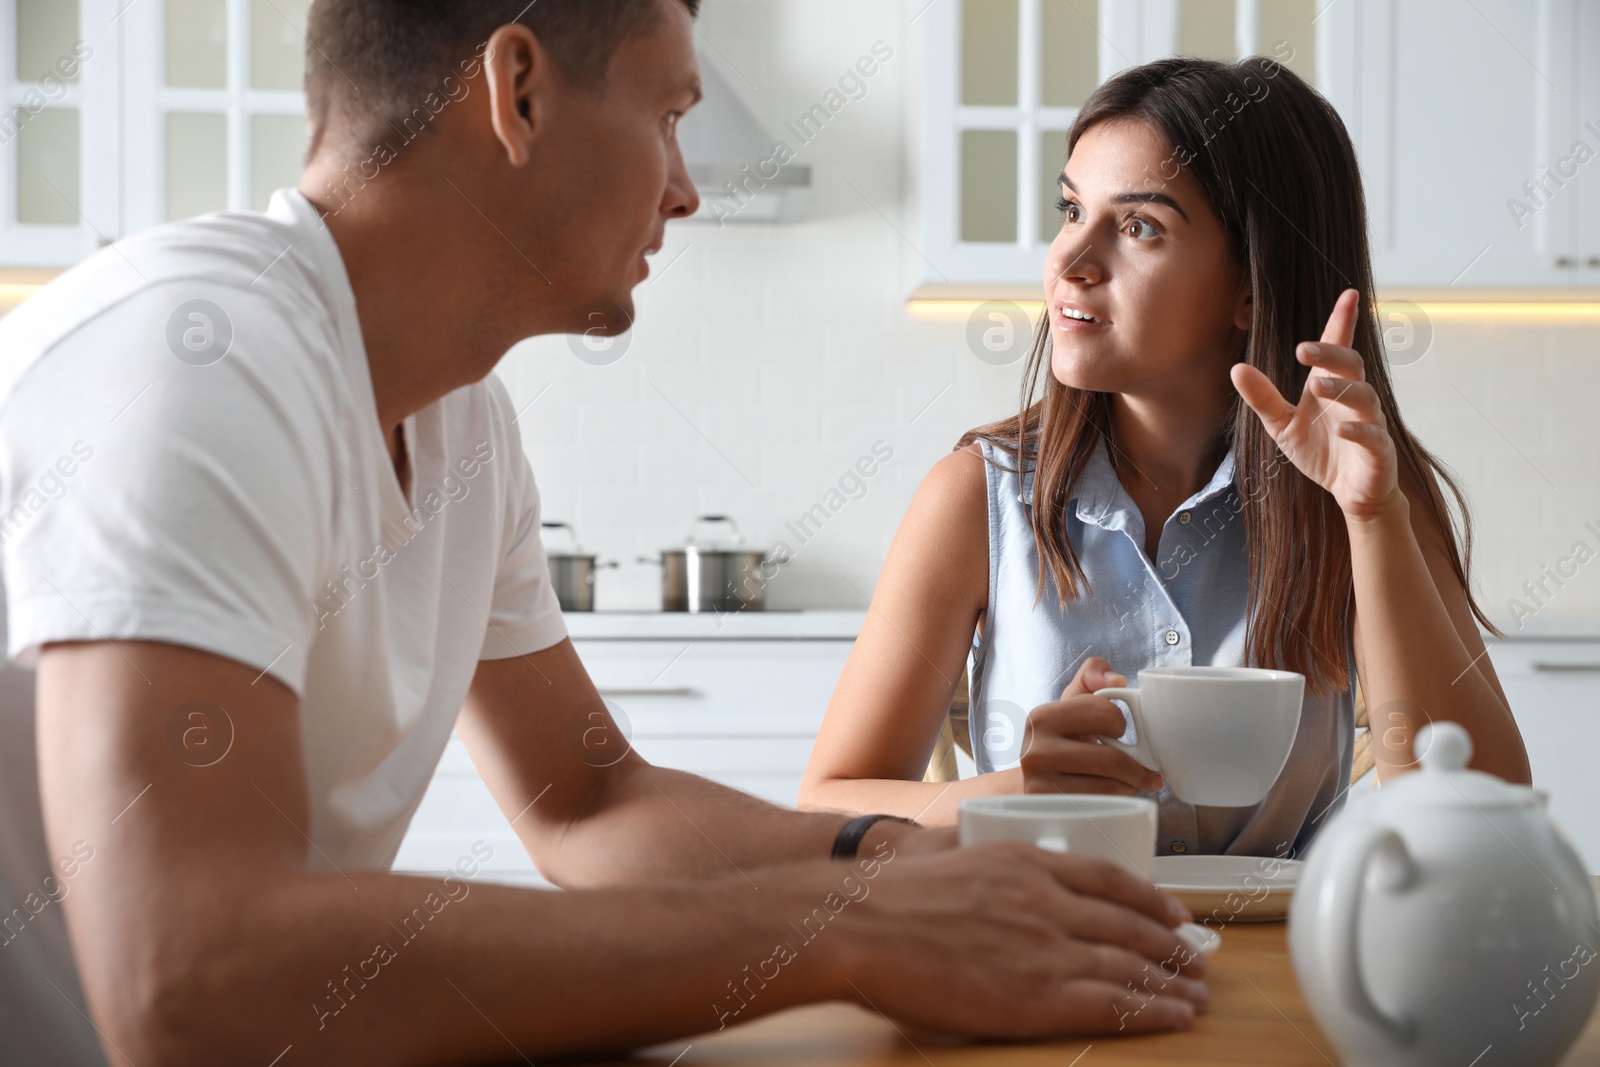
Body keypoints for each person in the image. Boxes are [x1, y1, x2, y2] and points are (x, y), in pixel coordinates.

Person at [0, 3, 1211, 1064]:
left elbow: (588, 799)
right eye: (669, 110)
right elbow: (195, 980)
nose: (685, 185)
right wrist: (847, 930)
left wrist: (889, 858)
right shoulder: (198, 359)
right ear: (515, 91)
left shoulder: (461, 419)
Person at [800, 56, 1531, 857]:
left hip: (1288, 967)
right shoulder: (977, 496)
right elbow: (826, 805)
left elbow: (1481, 813)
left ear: (1250, 288)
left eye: (1140, 226)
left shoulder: (1366, 493)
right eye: (1070, 209)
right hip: (1039, 958)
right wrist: (1021, 791)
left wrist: (1372, 516)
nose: (1070, 261)